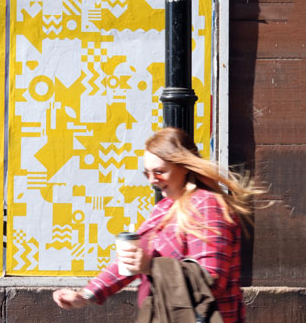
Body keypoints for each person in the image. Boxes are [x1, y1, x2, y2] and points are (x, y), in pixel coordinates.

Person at [53, 127, 262, 323]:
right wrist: (86, 295)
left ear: (183, 166)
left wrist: (151, 266)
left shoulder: (206, 205)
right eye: (147, 173)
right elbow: (129, 263)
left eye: (159, 172)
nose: (152, 180)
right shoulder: (163, 208)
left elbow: (211, 278)